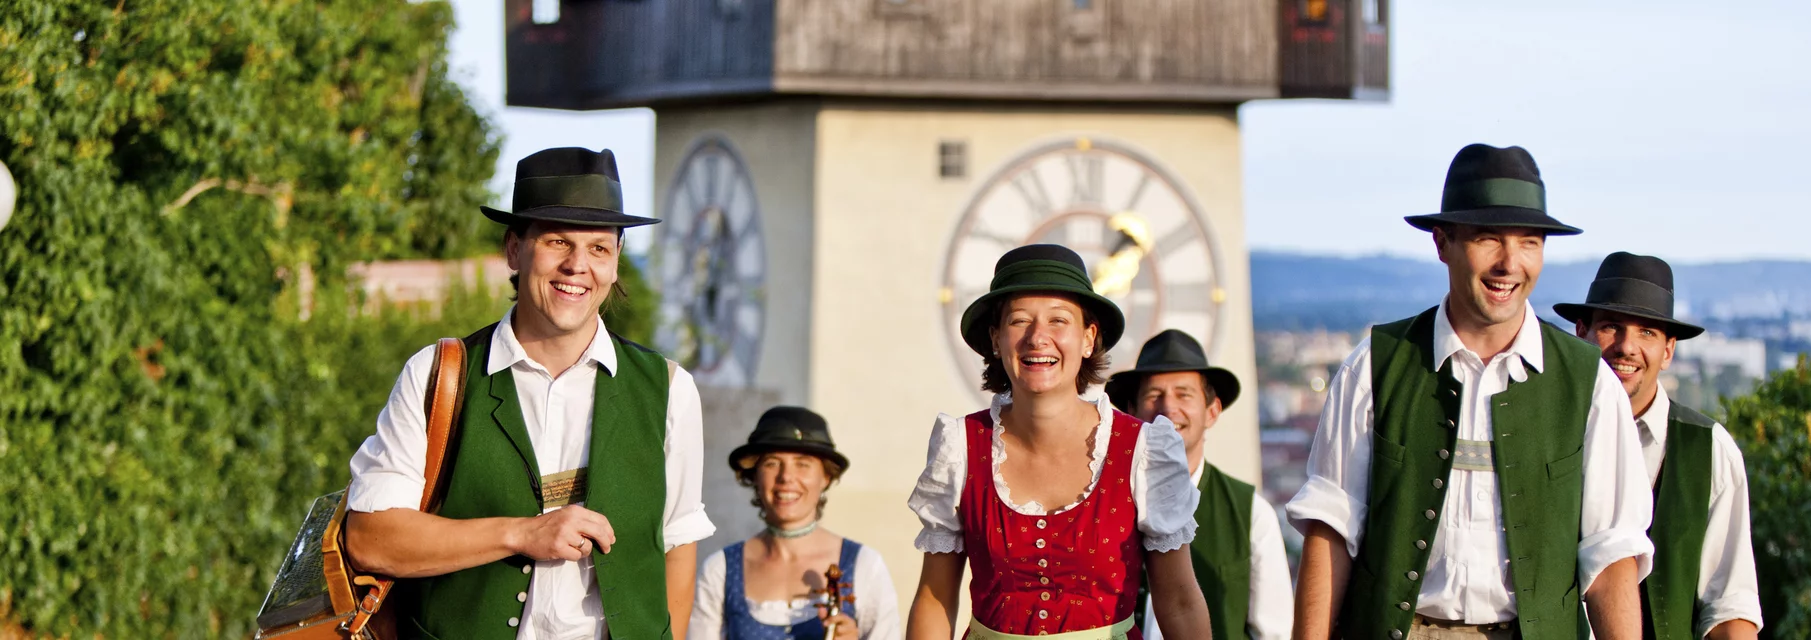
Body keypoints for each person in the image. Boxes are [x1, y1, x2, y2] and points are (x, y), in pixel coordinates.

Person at [1285, 144, 1656, 640]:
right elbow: (1330, 533)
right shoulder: (1373, 367)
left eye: (1529, 243)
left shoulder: (1590, 386)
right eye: (1488, 239)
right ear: (1443, 244)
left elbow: (1611, 558)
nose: (1509, 263)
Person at [344, 147, 715, 640]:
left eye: (599, 248)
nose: (577, 266)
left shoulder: (669, 389)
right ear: (515, 250)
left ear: (617, 260)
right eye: (558, 241)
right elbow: (370, 540)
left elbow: (677, 546)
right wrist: (521, 533)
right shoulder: (438, 375)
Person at [905, 244, 1211, 639]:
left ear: (1088, 338)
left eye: (1058, 321)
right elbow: (935, 598)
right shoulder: (960, 447)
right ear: (996, 340)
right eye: (1019, 321)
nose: (1038, 338)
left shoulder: (1143, 450)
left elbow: (1180, 601)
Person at [1554, 252, 1764, 640]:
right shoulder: (1543, 431)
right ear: (1580, 332)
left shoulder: (1710, 449)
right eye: (1611, 327)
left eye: (1647, 333)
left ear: (1668, 351)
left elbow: (1730, 606)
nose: (1626, 347)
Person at [1108, 329, 1294, 639]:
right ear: (1132, 411)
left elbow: (1274, 633)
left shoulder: (1252, 513)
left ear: (1212, 411)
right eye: (1154, 395)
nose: (1168, 409)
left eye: (1184, 394)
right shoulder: (1104, 501)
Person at [689, 406, 903, 639]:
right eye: (772, 463)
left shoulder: (865, 565)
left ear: (826, 477)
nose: (786, 477)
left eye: (803, 463)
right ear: (754, 475)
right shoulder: (720, 569)